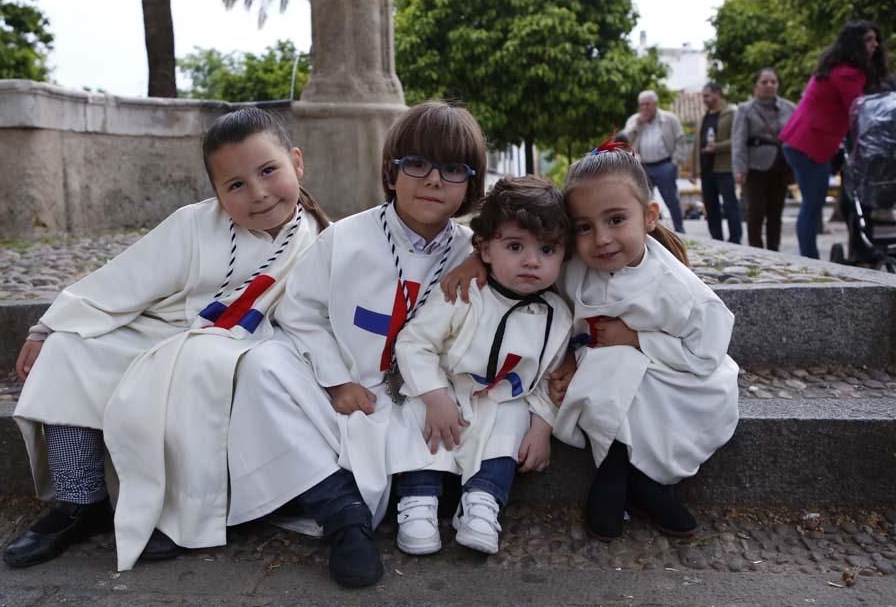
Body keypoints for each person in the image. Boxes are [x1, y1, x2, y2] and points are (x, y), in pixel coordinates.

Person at [3, 108, 327, 569]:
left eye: (268, 171)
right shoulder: (194, 224)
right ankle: (80, 501)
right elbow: (126, 278)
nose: (257, 193)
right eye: (235, 185)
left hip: (244, 345)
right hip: (165, 329)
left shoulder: (325, 241)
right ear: (216, 193)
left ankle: (181, 513)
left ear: (296, 162)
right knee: (70, 351)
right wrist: (48, 326)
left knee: (203, 370)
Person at [226, 101, 487, 588]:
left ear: (471, 185)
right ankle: (342, 513)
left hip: (423, 403)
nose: (433, 180)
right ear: (391, 173)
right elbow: (298, 311)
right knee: (261, 365)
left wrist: (481, 254)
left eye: (453, 169)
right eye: (417, 164)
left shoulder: (477, 252)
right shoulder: (344, 239)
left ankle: (373, 501)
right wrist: (337, 379)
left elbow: (541, 256)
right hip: (349, 394)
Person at [550, 138, 739, 542]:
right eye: (585, 226)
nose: (601, 238)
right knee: (609, 367)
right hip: (606, 372)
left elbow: (706, 352)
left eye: (616, 219)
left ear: (649, 216)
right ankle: (625, 474)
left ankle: (630, 475)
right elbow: (559, 316)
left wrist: (636, 338)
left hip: (678, 376)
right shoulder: (574, 271)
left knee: (617, 365)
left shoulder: (677, 287)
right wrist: (566, 358)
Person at [389, 176, 572, 557]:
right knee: (419, 419)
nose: (531, 260)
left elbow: (549, 379)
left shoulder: (558, 315)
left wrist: (542, 426)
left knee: (509, 422)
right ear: (485, 249)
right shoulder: (465, 291)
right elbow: (414, 342)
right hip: (446, 387)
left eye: (547, 249)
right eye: (515, 246)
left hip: (499, 396)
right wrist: (436, 396)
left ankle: (482, 502)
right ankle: (418, 500)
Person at [780, 20, 889, 259]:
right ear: (856, 44)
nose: (875, 45)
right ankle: (810, 258)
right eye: (868, 40)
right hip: (811, 144)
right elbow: (859, 111)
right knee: (812, 205)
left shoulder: (833, 69)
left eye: (875, 39)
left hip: (801, 141)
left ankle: (811, 255)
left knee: (812, 204)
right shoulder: (848, 74)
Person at [732, 68, 797, 251]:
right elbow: (739, 141)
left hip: (781, 165)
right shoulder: (745, 109)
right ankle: (755, 248)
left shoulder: (790, 107)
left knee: (776, 212)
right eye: (764, 82)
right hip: (755, 166)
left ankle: (774, 248)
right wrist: (739, 168)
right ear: (756, 86)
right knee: (756, 211)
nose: (769, 85)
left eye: (773, 82)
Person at [621, 90, 687, 233]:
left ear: (655, 104)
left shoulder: (669, 119)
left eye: (648, 104)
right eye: (641, 105)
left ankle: (680, 230)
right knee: (644, 201)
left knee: (671, 200)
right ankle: (649, 231)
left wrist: (675, 163)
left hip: (665, 165)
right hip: (643, 166)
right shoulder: (634, 120)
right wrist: (637, 126)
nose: (644, 108)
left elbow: (681, 140)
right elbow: (625, 141)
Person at [691, 82, 741, 243]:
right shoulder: (703, 117)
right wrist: (693, 169)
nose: (704, 99)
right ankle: (716, 239)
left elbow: (738, 140)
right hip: (706, 170)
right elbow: (696, 145)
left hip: (724, 168)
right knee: (711, 208)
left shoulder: (732, 113)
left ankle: (735, 239)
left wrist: (717, 147)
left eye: (706, 96)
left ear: (717, 93)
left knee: (730, 205)